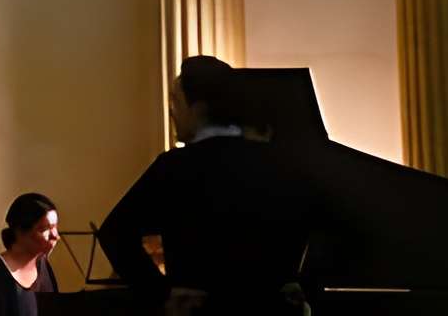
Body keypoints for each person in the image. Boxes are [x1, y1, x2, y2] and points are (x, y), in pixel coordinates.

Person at [98, 56, 323, 312]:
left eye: (176, 101)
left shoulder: (175, 167)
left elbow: (114, 233)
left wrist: (160, 295)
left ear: (199, 108)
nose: (171, 111)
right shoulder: (280, 164)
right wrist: (300, 285)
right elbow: (329, 231)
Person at [0, 192, 58, 316]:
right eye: (44, 229)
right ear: (20, 232)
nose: (56, 236)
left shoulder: (44, 265)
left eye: (55, 227)